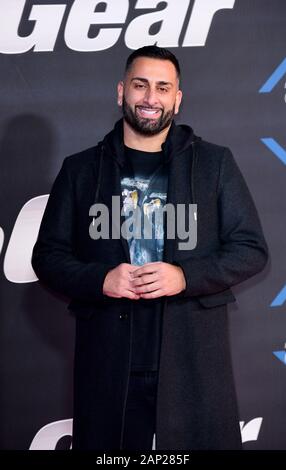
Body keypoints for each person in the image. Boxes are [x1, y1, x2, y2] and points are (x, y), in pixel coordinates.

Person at [31, 46, 268, 451]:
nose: (150, 98)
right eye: (140, 85)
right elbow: (47, 256)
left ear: (177, 98)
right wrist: (100, 278)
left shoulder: (214, 164)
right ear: (121, 91)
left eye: (162, 87)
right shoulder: (81, 169)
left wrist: (185, 276)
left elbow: (250, 249)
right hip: (109, 363)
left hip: (191, 360)